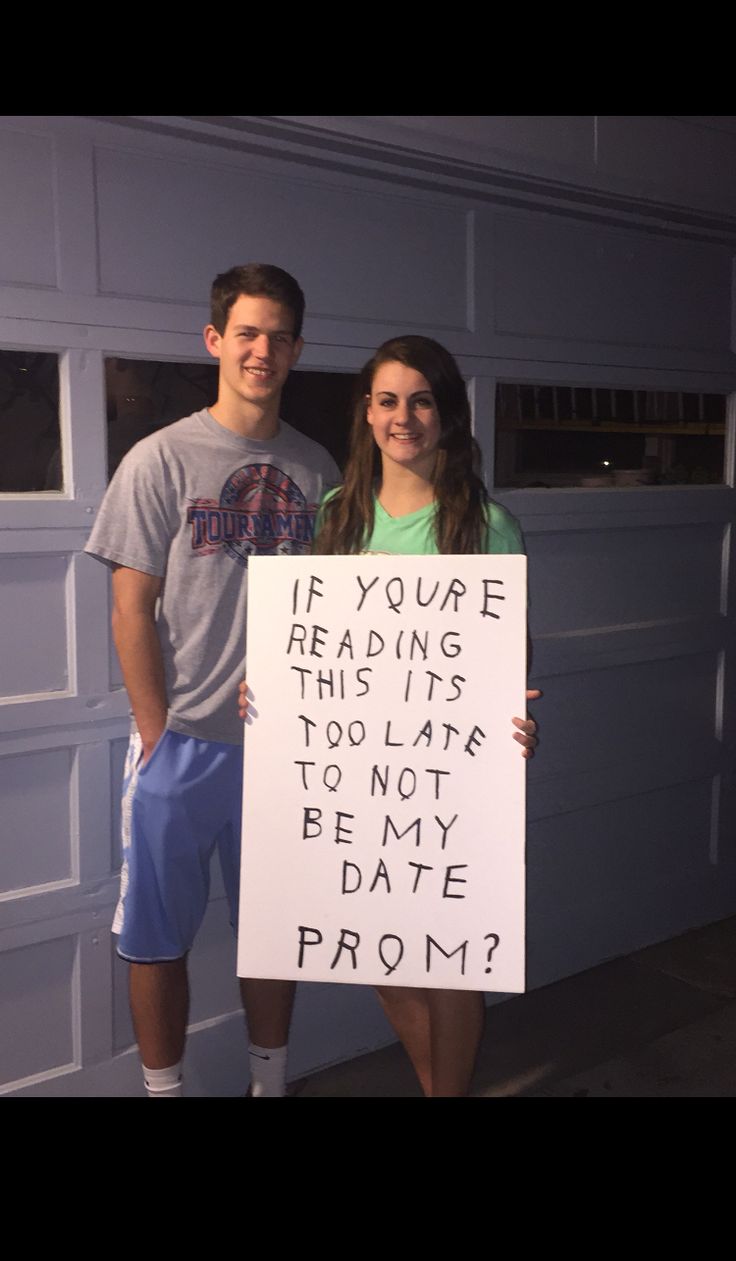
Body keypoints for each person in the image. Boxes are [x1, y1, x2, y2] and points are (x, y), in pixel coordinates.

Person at [85, 263, 341, 1097]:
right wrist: (155, 734)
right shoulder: (160, 459)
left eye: (277, 336)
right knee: (156, 936)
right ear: (215, 341)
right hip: (185, 743)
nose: (261, 350)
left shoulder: (317, 469)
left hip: (285, 748)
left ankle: (270, 1084)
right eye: (246, 333)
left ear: (296, 349)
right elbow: (131, 609)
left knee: (272, 933)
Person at [312, 333, 539, 1097]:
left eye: (420, 399)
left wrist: (515, 712)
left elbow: (513, 652)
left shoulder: (484, 525)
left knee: (449, 959)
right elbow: (318, 649)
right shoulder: (337, 517)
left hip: (451, 780)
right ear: (366, 413)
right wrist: (273, 698)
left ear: (446, 414)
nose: (403, 416)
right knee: (378, 952)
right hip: (358, 779)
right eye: (387, 400)